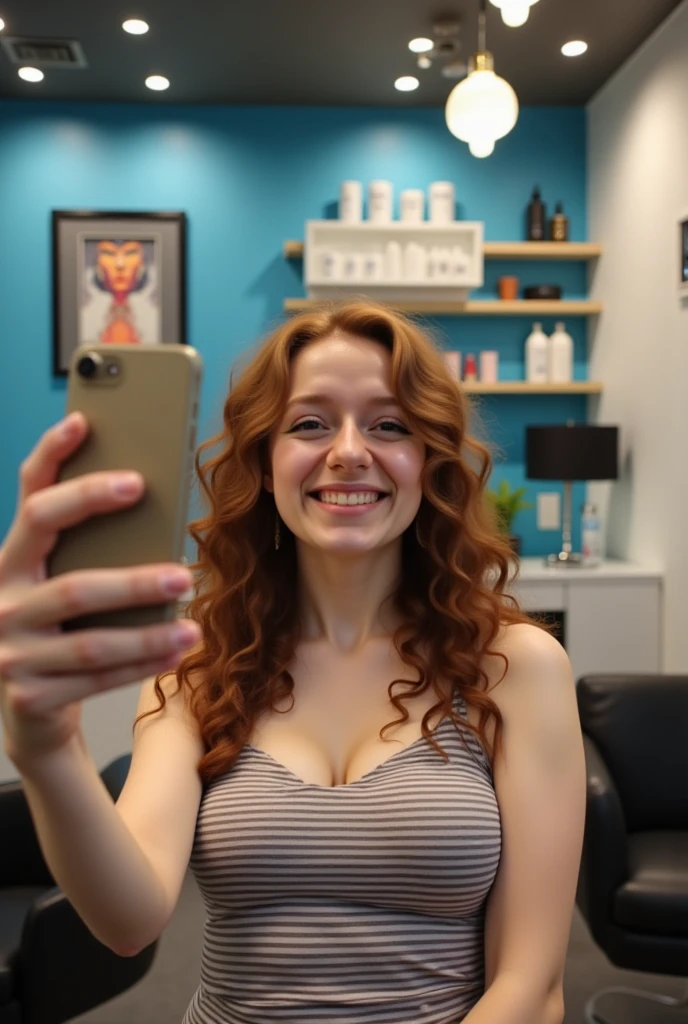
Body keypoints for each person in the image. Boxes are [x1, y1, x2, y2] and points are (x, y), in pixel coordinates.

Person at [0, 300, 586, 1024]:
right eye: (310, 423)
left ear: (429, 464)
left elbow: (531, 986)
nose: (347, 450)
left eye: (389, 425)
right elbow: (128, 922)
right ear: (265, 464)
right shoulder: (197, 668)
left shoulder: (516, 666)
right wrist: (48, 750)